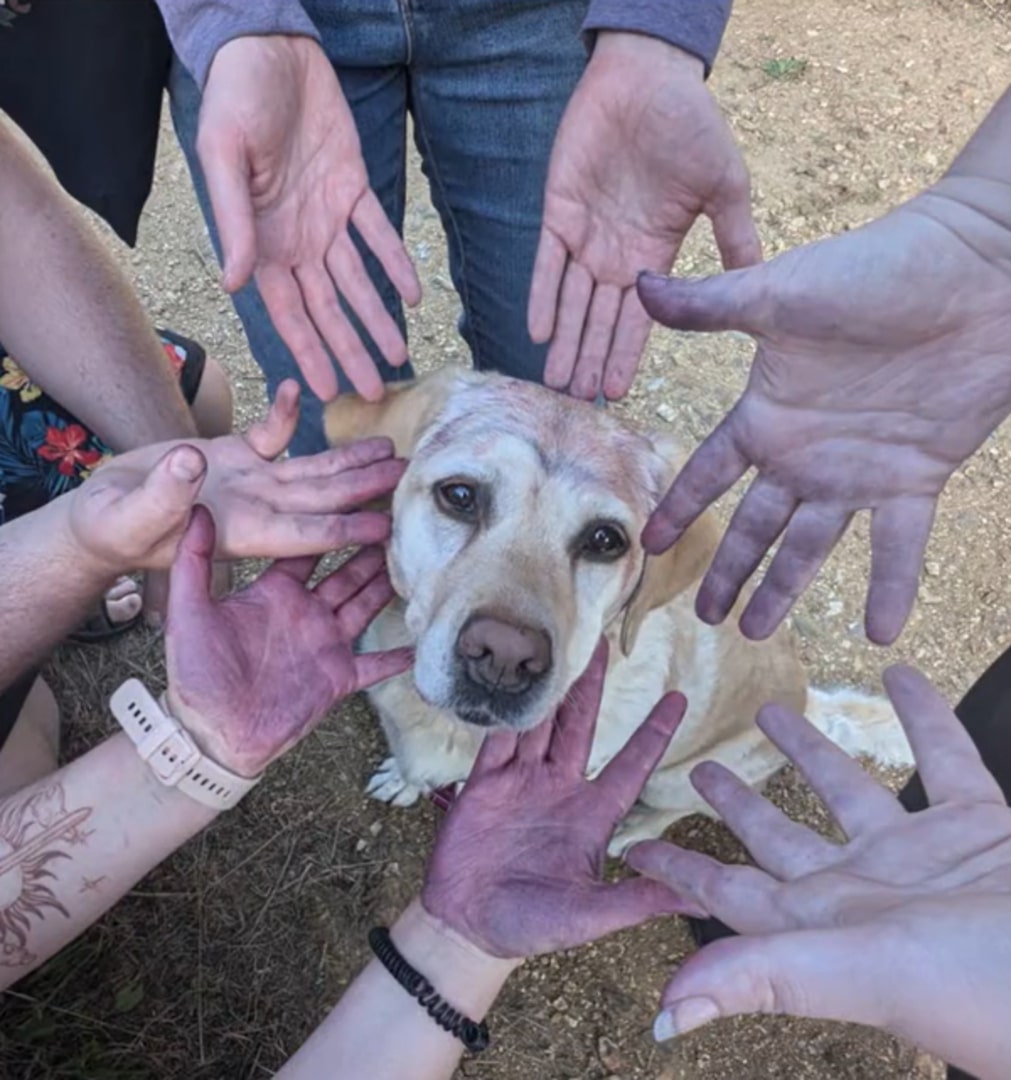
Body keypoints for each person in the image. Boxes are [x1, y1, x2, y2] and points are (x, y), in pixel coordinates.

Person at [153, 0, 757, 453]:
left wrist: (658, 30)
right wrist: (228, 16)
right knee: (339, 423)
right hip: (270, 22)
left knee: (555, 413)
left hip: (544, 17)